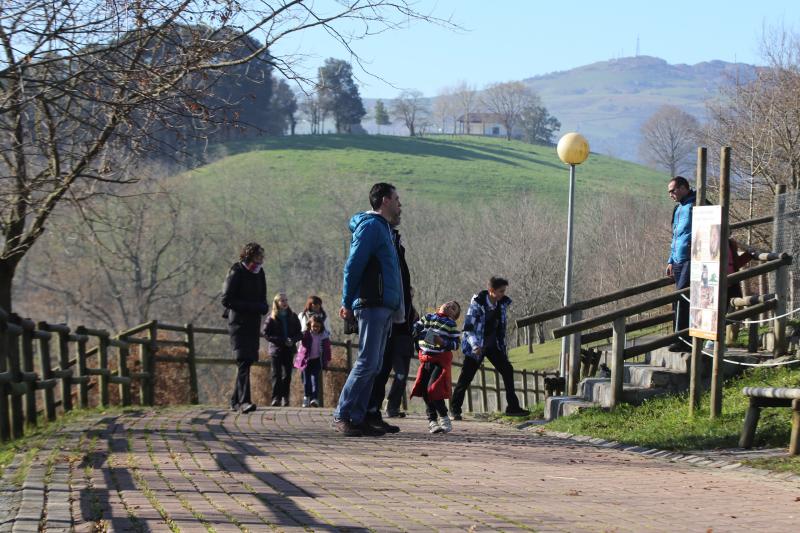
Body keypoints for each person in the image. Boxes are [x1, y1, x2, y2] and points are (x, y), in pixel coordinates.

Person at [333, 182, 404, 437]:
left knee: (373, 365)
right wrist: (346, 301)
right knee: (366, 362)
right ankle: (343, 414)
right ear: (384, 200)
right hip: (371, 303)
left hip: (384, 305)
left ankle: (358, 416)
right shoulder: (371, 226)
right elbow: (353, 265)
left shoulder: (384, 229)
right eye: (396, 198)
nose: (400, 204)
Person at [450, 277, 529, 420]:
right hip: (477, 346)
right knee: (466, 377)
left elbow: (501, 327)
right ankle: (455, 409)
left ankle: (512, 407)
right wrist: (474, 346)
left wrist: (502, 348)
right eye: (501, 291)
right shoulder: (476, 304)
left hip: (493, 346)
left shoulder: (502, 304)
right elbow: (468, 329)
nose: (503, 294)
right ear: (491, 291)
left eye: (504, 291)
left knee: (507, 369)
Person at [364, 222, 417, 432]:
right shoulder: (379, 239)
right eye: (397, 201)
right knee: (374, 366)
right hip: (386, 314)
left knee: (385, 369)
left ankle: (375, 411)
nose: (400, 206)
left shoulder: (396, 244)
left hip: (402, 332)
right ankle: (360, 411)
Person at [222, 242, 268, 414]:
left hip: (253, 323)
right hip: (239, 323)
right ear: (250, 255)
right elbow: (226, 299)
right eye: (259, 256)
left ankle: (235, 400)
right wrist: (251, 306)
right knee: (242, 360)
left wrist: (263, 306)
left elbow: (263, 296)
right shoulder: (237, 271)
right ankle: (244, 401)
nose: (261, 260)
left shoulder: (260, 272)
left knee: (248, 360)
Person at [410, 301, 461, 434]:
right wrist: (418, 334)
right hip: (425, 360)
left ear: (454, 316)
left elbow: (456, 344)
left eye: (453, 308)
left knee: (432, 388)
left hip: (439, 361)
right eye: (448, 304)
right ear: (440, 306)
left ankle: (444, 416)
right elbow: (415, 329)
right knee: (425, 390)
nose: (450, 306)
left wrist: (442, 342)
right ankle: (432, 421)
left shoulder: (450, 325)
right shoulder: (428, 317)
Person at [666, 176, 696, 352]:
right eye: (669, 191)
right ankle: (678, 337)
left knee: (683, 298)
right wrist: (670, 260)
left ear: (684, 187)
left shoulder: (697, 204)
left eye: (673, 190)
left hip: (691, 259)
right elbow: (675, 236)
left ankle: (683, 340)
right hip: (678, 260)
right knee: (678, 299)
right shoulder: (678, 209)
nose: (671, 194)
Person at [263, 293, 302, 406]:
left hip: (289, 350)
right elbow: (266, 333)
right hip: (276, 350)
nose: (285, 302)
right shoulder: (271, 317)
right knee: (276, 374)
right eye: (282, 300)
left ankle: (285, 398)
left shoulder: (293, 316)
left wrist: (292, 340)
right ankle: (276, 398)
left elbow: (299, 333)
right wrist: (280, 340)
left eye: (286, 300)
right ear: (277, 303)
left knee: (287, 375)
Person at [294, 315, 332, 407]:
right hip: (306, 360)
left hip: (316, 360)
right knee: (306, 381)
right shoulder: (305, 334)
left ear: (321, 326)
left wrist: (327, 359)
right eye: (314, 326)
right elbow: (297, 338)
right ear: (310, 325)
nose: (315, 328)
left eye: (318, 326)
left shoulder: (323, 335)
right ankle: (306, 397)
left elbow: (327, 349)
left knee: (315, 380)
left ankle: (314, 398)